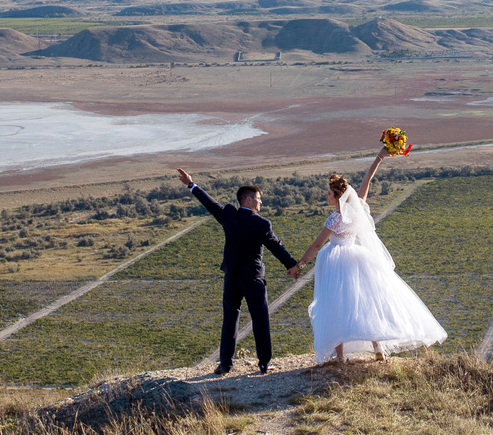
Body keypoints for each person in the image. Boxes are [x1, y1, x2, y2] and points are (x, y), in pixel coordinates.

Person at [296, 144, 447, 364]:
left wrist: (300, 264)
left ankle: (340, 356)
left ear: (338, 197)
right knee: (366, 300)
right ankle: (378, 348)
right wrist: (379, 158)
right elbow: (366, 183)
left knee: (335, 304)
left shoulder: (334, 219)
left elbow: (316, 245)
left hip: (336, 261)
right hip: (357, 258)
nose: (326, 196)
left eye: (329, 193)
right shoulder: (358, 211)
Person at [177, 168, 299, 376]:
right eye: (258, 199)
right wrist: (292, 266)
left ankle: (225, 364)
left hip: (231, 276)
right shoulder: (261, 223)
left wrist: (192, 185)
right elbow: (276, 246)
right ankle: (264, 363)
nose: (261, 203)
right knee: (260, 319)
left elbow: (209, 203)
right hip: (253, 278)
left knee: (230, 318)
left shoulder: (229, 216)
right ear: (248, 200)